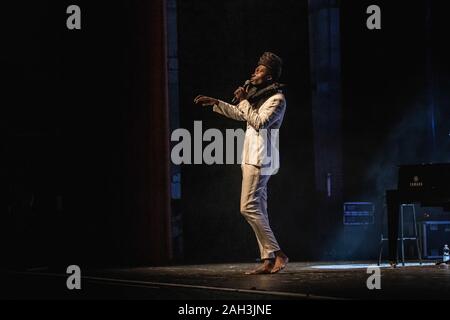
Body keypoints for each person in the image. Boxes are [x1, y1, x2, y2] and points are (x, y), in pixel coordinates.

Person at [194, 52, 289, 274]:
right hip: (251, 157)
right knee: (259, 209)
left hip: (260, 159)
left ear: (269, 77)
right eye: (255, 68)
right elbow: (241, 114)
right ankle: (267, 259)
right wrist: (216, 103)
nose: (255, 72)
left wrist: (245, 100)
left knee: (247, 207)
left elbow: (259, 122)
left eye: (260, 69)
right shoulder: (260, 97)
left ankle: (279, 254)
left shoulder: (277, 99)